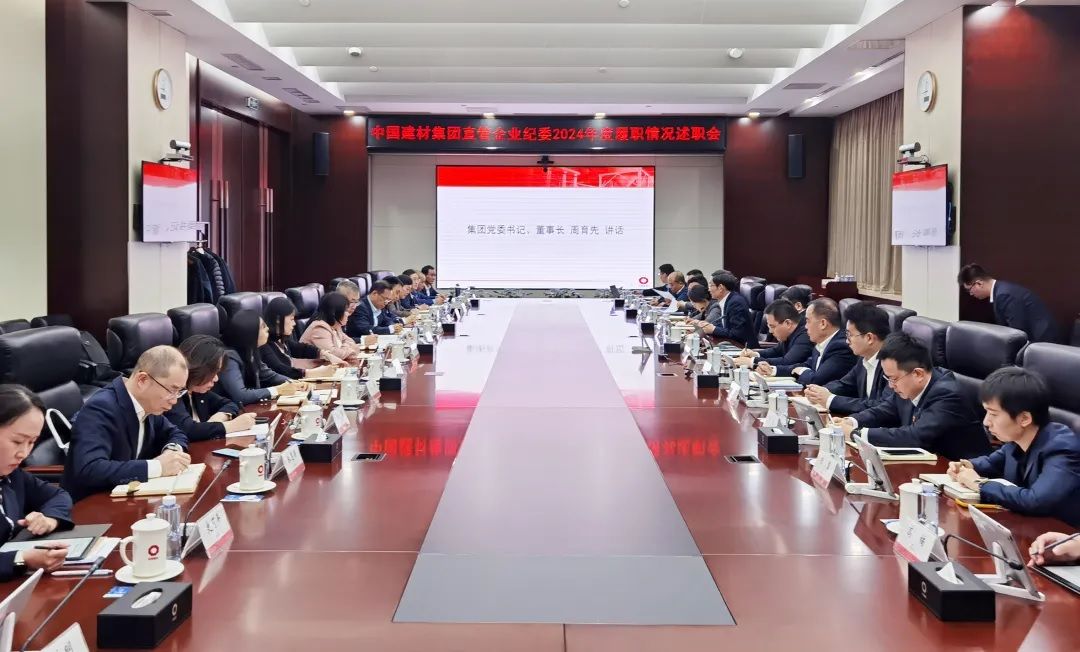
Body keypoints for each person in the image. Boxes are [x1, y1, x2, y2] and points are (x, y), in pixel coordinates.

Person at [947, 368, 1080, 527]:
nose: (986, 422)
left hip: (1061, 534)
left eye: (993, 414)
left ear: (1024, 418)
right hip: (1025, 527)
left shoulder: (1062, 449)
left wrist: (979, 484)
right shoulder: (1015, 441)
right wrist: (967, 466)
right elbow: (991, 463)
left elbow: (1035, 501)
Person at [62, 346, 192, 502]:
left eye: (179, 391)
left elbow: (175, 433)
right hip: (93, 505)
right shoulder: (101, 408)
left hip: (129, 499)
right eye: (172, 390)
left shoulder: (148, 405)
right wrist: (158, 467)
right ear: (142, 380)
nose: (175, 400)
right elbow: (90, 469)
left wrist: (171, 453)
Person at [839, 332, 991, 460]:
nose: (891, 385)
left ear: (918, 374)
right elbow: (885, 410)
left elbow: (915, 437)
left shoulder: (947, 395)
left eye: (893, 379)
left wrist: (856, 434)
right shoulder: (907, 385)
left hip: (962, 470)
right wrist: (852, 421)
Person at [0, 385, 75, 579]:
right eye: (17, 442)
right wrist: (21, 558)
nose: (24, 453)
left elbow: (58, 495)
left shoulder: (12, 474)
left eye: (32, 442)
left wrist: (49, 519)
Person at [804, 301, 891, 414]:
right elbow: (845, 384)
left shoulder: (892, 364)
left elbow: (880, 406)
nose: (846, 341)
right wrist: (819, 392)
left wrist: (830, 400)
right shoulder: (864, 358)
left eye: (850, 335)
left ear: (869, 338)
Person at [167, 335, 255, 441]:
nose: (216, 379)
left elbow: (230, 404)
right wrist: (231, 426)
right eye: (213, 372)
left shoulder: (198, 391)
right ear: (198, 368)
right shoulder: (172, 394)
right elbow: (188, 430)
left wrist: (220, 417)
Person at [761, 298, 856, 387]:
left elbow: (815, 380)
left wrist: (801, 371)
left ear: (823, 324)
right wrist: (773, 370)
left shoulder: (840, 347)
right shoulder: (822, 343)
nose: (805, 326)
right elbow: (806, 365)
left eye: (808, 321)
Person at [217, 311, 303, 406]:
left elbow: (269, 375)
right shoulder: (229, 358)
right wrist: (277, 390)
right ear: (250, 332)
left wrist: (294, 383)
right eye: (263, 327)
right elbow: (241, 396)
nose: (268, 329)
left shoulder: (251, 350)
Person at [957, 264, 1060, 343]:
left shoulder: (1004, 295)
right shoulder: (1001, 291)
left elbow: (1017, 334)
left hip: (1043, 344)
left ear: (979, 283)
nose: (971, 294)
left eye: (969, 290)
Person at [262, 297, 340, 380]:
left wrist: (325, 354)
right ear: (278, 319)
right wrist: (312, 373)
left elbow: (301, 348)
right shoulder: (263, 343)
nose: (294, 323)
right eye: (291, 319)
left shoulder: (280, 339)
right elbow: (280, 369)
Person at [735, 300, 813, 370]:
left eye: (772, 326)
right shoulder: (789, 333)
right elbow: (776, 351)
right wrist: (754, 354)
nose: (770, 331)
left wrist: (752, 361)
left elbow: (787, 361)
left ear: (788, 323)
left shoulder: (805, 336)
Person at [691, 273, 756, 347]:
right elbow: (726, 327)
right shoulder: (728, 300)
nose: (709, 289)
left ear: (720, 288)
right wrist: (710, 326)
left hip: (744, 347)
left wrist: (714, 329)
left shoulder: (735, 303)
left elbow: (737, 333)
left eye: (711, 286)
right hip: (731, 343)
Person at [300, 293, 364, 361]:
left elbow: (351, 342)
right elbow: (332, 354)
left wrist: (344, 348)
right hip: (314, 367)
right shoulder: (319, 328)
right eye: (345, 311)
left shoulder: (336, 326)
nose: (348, 314)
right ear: (335, 312)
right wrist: (349, 349)